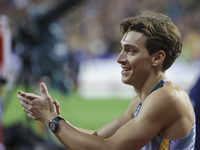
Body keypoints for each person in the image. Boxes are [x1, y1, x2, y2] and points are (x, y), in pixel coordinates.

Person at [17, 11, 196, 150]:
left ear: (157, 58)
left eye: (130, 51)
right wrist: (54, 118)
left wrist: (53, 120)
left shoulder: (169, 97)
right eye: (121, 49)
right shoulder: (143, 99)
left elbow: (110, 147)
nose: (119, 58)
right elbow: (98, 137)